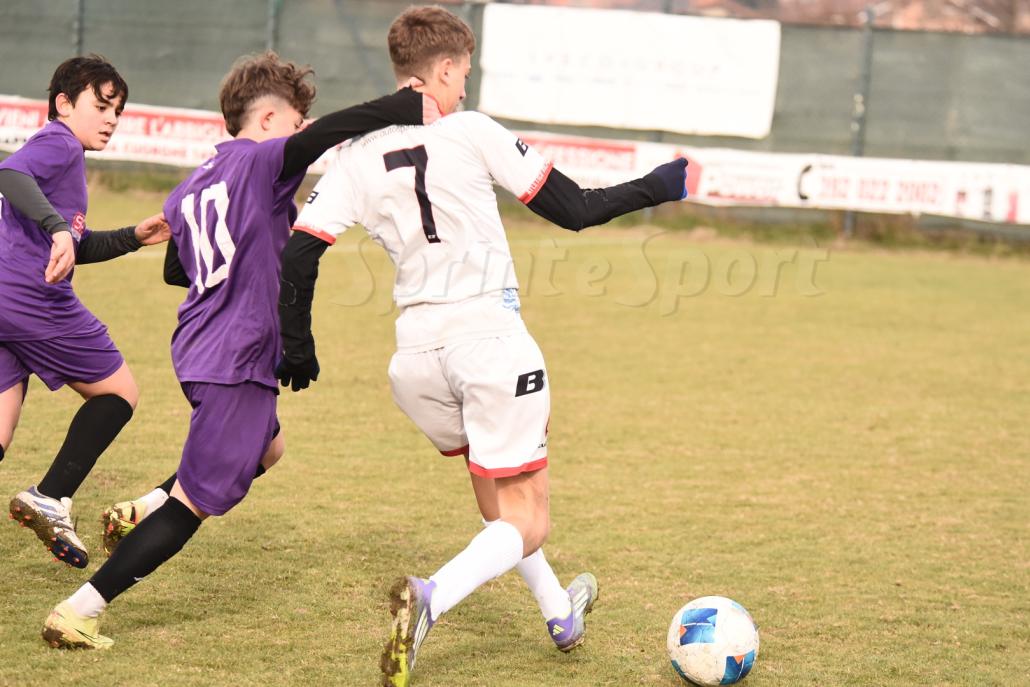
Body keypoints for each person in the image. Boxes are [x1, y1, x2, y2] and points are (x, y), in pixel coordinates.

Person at [277, 6, 689, 685]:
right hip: (489, 343)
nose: (465, 87)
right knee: (530, 519)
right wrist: (659, 186)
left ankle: (560, 613)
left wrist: (297, 343)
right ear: (441, 69)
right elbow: (575, 209)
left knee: (496, 501)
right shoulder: (471, 130)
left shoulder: (351, 157)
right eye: (463, 73)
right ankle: (432, 596)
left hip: (414, 359)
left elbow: (299, 253)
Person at [42, 51, 438, 649]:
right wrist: (406, 103)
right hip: (237, 354)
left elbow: (177, 268)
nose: (303, 134)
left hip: (199, 346)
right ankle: (80, 609)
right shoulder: (260, 161)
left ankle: (140, 507)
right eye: (296, 123)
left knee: (268, 447)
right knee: (193, 505)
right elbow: (335, 130)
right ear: (269, 118)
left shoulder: (196, 179)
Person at [1, 54, 168, 569]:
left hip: (5, 300)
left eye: (118, 110)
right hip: (30, 299)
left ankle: (49, 497)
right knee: (119, 393)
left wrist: (132, 237)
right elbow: (9, 172)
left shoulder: (62, 152)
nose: (112, 119)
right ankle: (50, 496)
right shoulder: (60, 143)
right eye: (101, 106)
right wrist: (55, 228)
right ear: (64, 103)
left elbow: (77, 244)